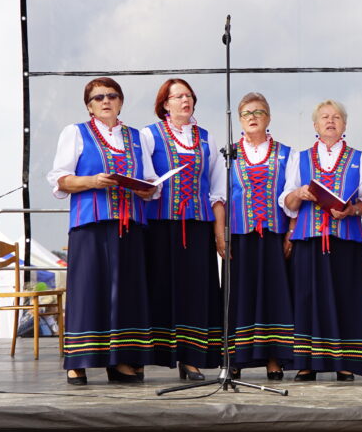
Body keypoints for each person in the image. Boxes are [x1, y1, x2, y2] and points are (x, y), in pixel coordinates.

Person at [47, 77, 158, 385]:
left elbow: (149, 179)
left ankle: (121, 360)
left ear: (120, 101)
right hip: (91, 224)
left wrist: (147, 190)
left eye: (111, 95)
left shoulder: (136, 138)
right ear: (89, 106)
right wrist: (92, 181)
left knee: (126, 293)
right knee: (87, 291)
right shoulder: (76, 133)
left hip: (130, 225)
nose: (105, 101)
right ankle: (77, 361)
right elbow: (60, 179)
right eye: (98, 98)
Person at [279, 100, 362, 381]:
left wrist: (351, 209)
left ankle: (345, 362)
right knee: (307, 300)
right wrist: (299, 193)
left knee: (345, 299)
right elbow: (286, 201)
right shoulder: (299, 158)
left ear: (344, 125)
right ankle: (306, 362)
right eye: (325, 117)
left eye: (336, 117)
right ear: (315, 125)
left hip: (345, 239)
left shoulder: (361, 158)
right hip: (309, 239)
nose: (331, 121)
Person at [140, 79, 224, 381]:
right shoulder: (149, 136)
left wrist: (218, 232)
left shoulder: (205, 138)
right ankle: (151, 354)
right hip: (161, 226)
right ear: (165, 103)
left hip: (198, 226)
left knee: (195, 293)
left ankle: (191, 358)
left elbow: (217, 189)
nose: (185, 101)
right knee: (159, 288)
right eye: (178, 96)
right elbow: (142, 178)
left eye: (189, 95)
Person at [219, 92, 294, 380]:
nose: (253, 117)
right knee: (240, 297)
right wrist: (220, 234)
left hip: (274, 236)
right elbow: (220, 197)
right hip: (240, 236)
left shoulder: (287, 153)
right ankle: (235, 358)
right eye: (247, 113)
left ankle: (274, 359)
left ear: (269, 117)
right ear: (239, 119)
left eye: (259, 112)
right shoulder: (229, 153)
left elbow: (291, 196)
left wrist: (290, 232)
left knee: (274, 298)